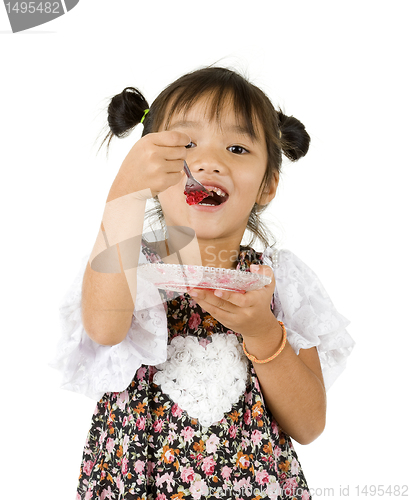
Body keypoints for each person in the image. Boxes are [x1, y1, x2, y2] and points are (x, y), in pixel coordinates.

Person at [51, 67, 354, 499]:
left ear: (268, 184)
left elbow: (308, 425)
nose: (209, 161)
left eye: (236, 147)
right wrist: (125, 190)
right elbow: (103, 327)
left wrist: (263, 333)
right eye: (186, 145)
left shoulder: (276, 282)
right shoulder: (123, 263)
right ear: (152, 167)